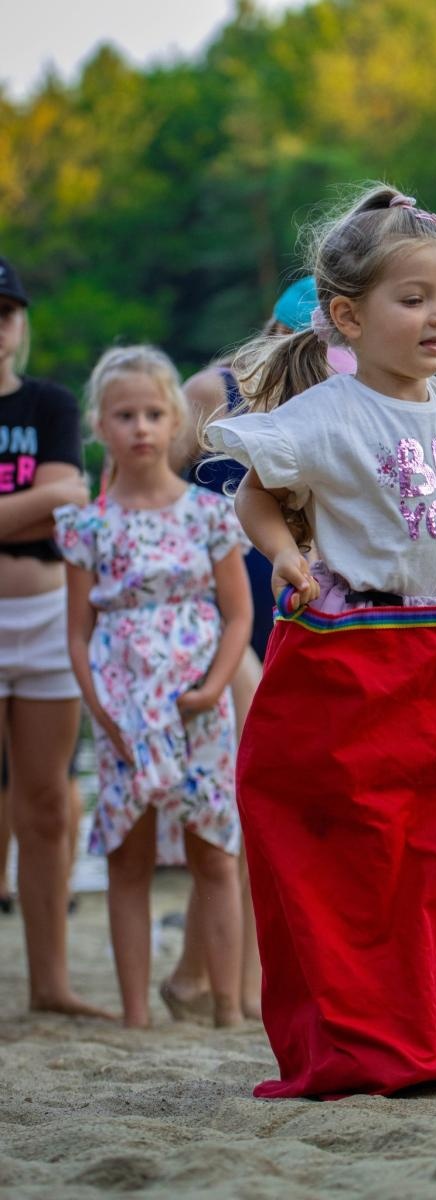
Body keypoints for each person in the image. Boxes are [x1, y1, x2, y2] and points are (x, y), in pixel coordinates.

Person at [205, 183, 436, 1100]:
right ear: (347, 316)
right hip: (358, 657)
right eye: (414, 298)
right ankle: (362, 1044)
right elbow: (253, 494)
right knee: (358, 854)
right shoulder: (327, 415)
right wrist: (285, 557)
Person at [162, 277, 356, 1023]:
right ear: (275, 326)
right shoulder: (214, 389)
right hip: (222, 616)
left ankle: (206, 978)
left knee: (291, 801)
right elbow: (154, 485)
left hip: (307, 607)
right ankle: (217, 983)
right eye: (294, 335)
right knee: (250, 793)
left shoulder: (344, 392)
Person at [54, 345, 252, 1027]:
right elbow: (78, 630)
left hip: (199, 707)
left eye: (153, 414)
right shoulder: (88, 524)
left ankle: (227, 1006)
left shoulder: (207, 513)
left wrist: (215, 687)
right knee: (129, 859)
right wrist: (98, 707)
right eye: (124, 415)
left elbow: (238, 614)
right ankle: (136, 1013)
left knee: (215, 852)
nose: (140, 427)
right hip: (122, 709)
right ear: (99, 426)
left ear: (175, 424)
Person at [0, 256, 108, 1016]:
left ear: (20, 322)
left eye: (6, 311)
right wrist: (37, 501)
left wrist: (53, 497)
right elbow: (54, 494)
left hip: (44, 617)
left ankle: (52, 986)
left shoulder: (50, 402)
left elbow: (73, 493)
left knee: (46, 804)